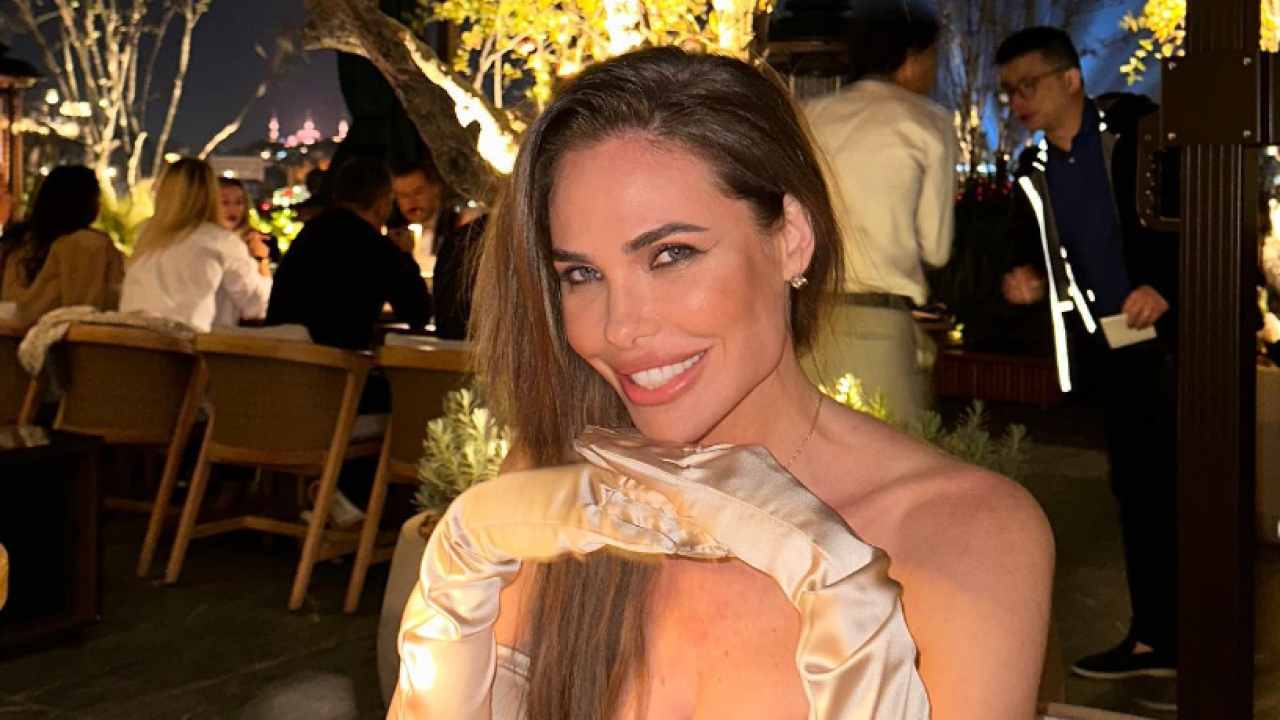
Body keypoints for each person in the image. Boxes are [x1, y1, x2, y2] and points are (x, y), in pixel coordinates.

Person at [391, 47, 1053, 719]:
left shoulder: (966, 534)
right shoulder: (552, 492)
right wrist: (455, 579)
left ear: (791, 239)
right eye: (581, 275)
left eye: (671, 255)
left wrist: (842, 592)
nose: (619, 328)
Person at [996, 27, 1179, 690]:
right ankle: (1159, 634)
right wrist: (1023, 278)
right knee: (1140, 487)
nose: (1018, 102)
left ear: (1070, 79)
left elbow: (1199, 215)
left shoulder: (1138, 136)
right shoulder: (1036, 170)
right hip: (1113, 344)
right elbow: (1033, 252)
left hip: (1176, 337)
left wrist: (1168, 287)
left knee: (1187, 484)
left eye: (1027, 85)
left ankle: (1185, 633)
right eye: (1009, 92)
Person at [802, 0, 956, 424]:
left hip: (810, 318)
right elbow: (937, 246)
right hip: (883, 321)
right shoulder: (929, 122)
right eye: (933, 59)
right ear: (910, 59)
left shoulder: (813, 115)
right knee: (893, 448)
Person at [265, 157, 431, 353]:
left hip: (280, 359)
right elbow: (418, 313)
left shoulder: (310, 233)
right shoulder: (376, 247)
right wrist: (405, 255)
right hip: (338, 366)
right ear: (382, 202)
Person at [120, 158, 273, 331]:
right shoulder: (219, 240)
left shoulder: (146, 233)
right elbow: (258, 305)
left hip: (133, 338)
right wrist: (261, 259)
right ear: (210, 195)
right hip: (185, 342)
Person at [0, 165, 124, 325]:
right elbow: (86, 312)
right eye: (97, 198)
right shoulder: (87, 245)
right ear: (85, 203)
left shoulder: (17, 243)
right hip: (60, 338)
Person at [389, 156, 485, 340]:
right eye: (402, 195)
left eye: (418, 192)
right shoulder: (396, 235)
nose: (411, 201)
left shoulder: (460, 231)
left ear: (435, 189)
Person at [218, 177, 280, 263]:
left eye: (239, 202)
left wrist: (260, 258)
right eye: (224, 202)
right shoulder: (204, 241)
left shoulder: (264, 241)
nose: (232, 209)